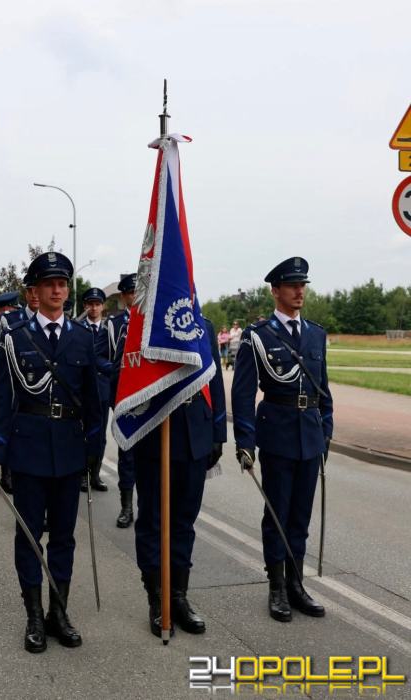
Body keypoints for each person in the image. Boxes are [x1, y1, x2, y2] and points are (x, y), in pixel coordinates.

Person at [0, 252, 102, 654]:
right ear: (34, 291)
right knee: (30, 536)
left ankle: (58, 611)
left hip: (68, 450)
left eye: (63, 284)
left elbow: (94, 404)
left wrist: (93, 452)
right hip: (28, 450)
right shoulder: (15, 340)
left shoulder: (84, 339)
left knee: (64, 537)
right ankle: (33, 615)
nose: (57, 290)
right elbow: (1, 402)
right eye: (49, 284)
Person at [232, 257, 333, 623]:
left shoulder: (316, 334)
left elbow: (324, 389)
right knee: (277, 515)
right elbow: (243, 395)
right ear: (275, 291)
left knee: (300, 517)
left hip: (309, 436)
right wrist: (245, 440)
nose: (299, 291)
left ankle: (296, 584)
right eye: (292, 285)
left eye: (302, 284)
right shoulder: (258, 337)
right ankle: (276, 587)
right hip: (276, 436)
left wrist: (326, 429)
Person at [131, 317, 227, 637]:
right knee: (154, 521)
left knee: (184, 522)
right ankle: (157, 600)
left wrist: (217, 432)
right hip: (156, 431)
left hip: (194, 432)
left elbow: (214, 379)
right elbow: (130, 378)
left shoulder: (204, 325)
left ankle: (179, 596)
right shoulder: (144, 323)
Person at [95, 273, 137, 528]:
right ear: (124, 297)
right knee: (128, 452)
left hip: (152, 400)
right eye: (130, 293)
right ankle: (126, 506)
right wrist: (114, 370)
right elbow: (97, 355)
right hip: (122, 396)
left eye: (138, 292)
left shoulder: (156, 323)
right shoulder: (113, 325)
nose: (135, 296)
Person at [79, 287, 109, 492]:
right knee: (82, 432)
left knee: (100, 434)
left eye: (97, 304)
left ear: (103, 306)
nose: (94, 308)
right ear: (85, 306)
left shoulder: (110, 329)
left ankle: (95, 473)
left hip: (103, 389)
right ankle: (82, 474)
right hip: (82, 389)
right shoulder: (77, 328)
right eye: (90, 304)